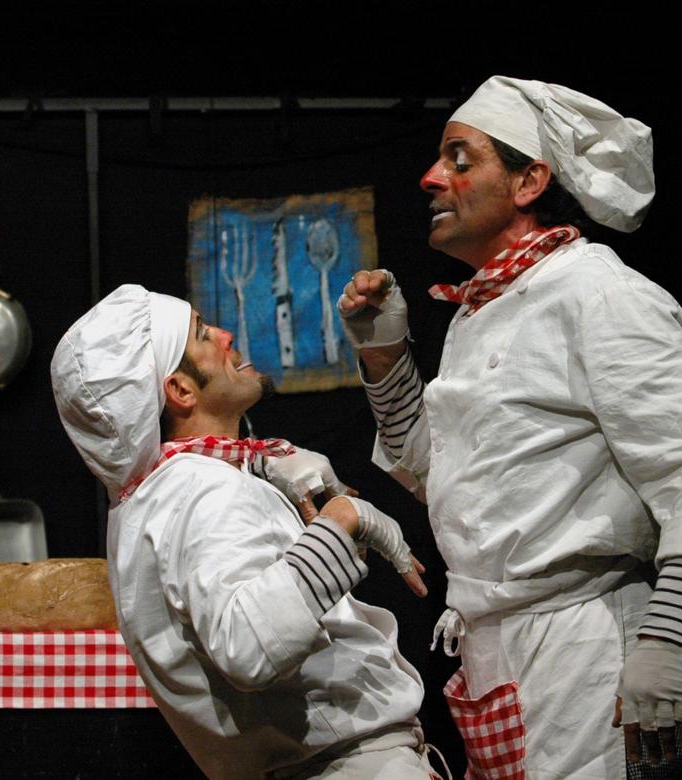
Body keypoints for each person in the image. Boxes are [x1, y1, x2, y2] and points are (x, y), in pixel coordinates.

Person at [338, 76, 682, 779]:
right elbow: (440, 476)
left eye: (459, 159)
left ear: (529, 181)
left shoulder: (597, 292)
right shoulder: (480, 312)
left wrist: (669, 641)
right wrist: (384, 357)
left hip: (583, 651)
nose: (431, 178)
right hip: (499, 653)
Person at [51, 284, 444, 779]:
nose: (226, 335)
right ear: (180, 390)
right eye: (202, 334)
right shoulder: (202, 490)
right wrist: (340, 522)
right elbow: (248, 644)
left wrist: (259, 465)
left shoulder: (152, 498)